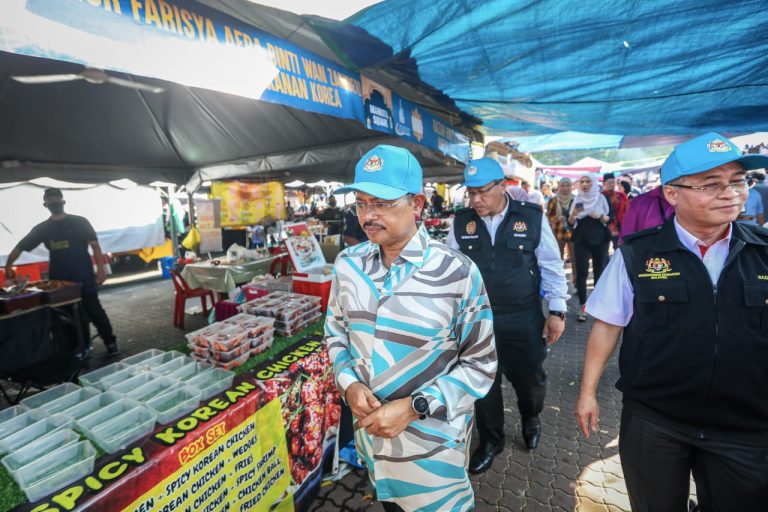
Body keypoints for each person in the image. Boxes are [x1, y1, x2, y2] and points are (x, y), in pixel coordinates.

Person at [575, 132, 768, 511]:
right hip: (656, 420)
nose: (730, 193)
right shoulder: (638, 254)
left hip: (746, 426)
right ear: (672, 194)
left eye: (738, 182)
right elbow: (608, 325)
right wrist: (587, 391)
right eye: (712, 184)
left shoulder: (764, 252)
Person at [325, 145, 497, 512]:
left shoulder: (457, 273)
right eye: (360, 203)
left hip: (433, 456)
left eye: (382, 203)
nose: (367, 216)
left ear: (418, 204)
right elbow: (335, 332)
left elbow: (481, 365)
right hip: (373, 447)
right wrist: (349, 383)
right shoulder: (347, 266)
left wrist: (415, 406)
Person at [446, 158, 569, 472]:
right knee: (483, 383)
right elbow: (452, 271)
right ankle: (491, 440)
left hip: (522, 316)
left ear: (503, 186)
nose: (475, 200)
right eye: (470, 193)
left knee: (529, 379)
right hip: (479, 319)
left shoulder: (530, 218)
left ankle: (531, 417)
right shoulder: (461, 222)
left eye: (482, 192)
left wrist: (557, 311)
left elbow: (552, 266)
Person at [4, 188, 119, 356]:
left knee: (94, 310)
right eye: (50, 200)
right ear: (45, 204)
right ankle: (80, 348)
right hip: (59, 282)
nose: (54, 202)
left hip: (84, 277)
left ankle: (110, 342)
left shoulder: (79, 222)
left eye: (57, 198)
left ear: (63, 201)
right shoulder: (42, 229)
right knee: (66, 316)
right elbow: (19, 247)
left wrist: (101, 271)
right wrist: (8, 266)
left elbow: (95, 245)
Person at [569, 173, 611, 322]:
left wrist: (599, 216)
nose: (585, 184)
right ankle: (583, 306)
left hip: (600, 237)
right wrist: (573, 215)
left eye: (588, 181)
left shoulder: (601, 198)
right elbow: (570, 222)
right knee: (582, 272)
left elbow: (609, 217)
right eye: (582, 181)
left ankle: (598, 305)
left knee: (599, 271)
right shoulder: (577, 199)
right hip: (581, 237)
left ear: (593, 183)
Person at [546, 178, 576, 284]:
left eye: (568, 185)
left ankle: (577, 283)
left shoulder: (576, 200)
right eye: (563, 185)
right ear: (559, 187)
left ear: (571, 187)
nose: (565, 188)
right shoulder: (553, 200)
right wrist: (557, 219)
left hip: (574, 234)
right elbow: (549, 216)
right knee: (557, 259)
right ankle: (558, 282)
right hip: (558, 233)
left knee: (575, 259)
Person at [601, 172, 629, 250]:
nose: (612, 184)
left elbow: (627, 210)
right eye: (609, 182)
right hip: (604, 226)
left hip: (620, 226)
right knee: (604, 251)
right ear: (604, 183)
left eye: (613, 182)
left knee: (619, 249)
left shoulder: (621, 195)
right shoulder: (600, 196)